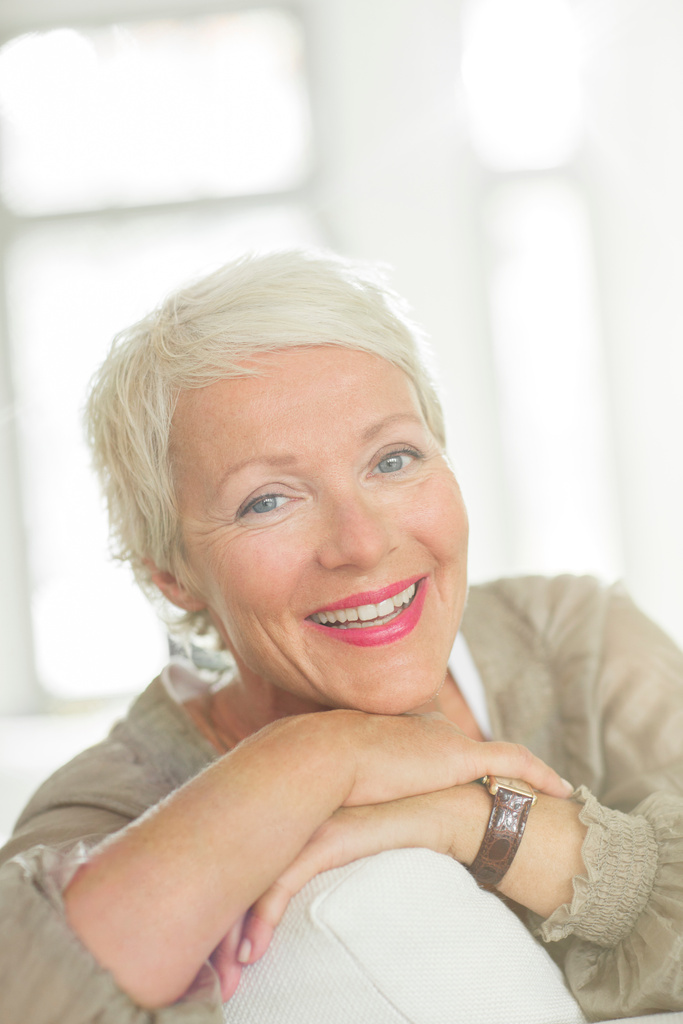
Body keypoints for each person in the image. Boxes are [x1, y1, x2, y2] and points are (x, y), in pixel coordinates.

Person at [1, 250, 682, 1024]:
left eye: (393, 459)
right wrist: (322, 753)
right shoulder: (118, 802)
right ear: (172, 575)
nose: (359, 543)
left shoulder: (570, 638)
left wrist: (476, 818)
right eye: (266, 501)